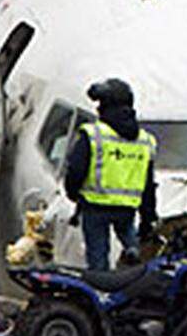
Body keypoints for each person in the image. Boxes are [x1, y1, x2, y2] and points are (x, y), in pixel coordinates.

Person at [63, 79, 158, 271]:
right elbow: (148, 184)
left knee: (98, 259)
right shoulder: (145, 141)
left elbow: (76, 170)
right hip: (127, 209)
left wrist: (73, 193)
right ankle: (133, 252)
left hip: (95, 207)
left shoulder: (94, 134)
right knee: (130, 240)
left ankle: (101, 290)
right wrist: (148, 217)